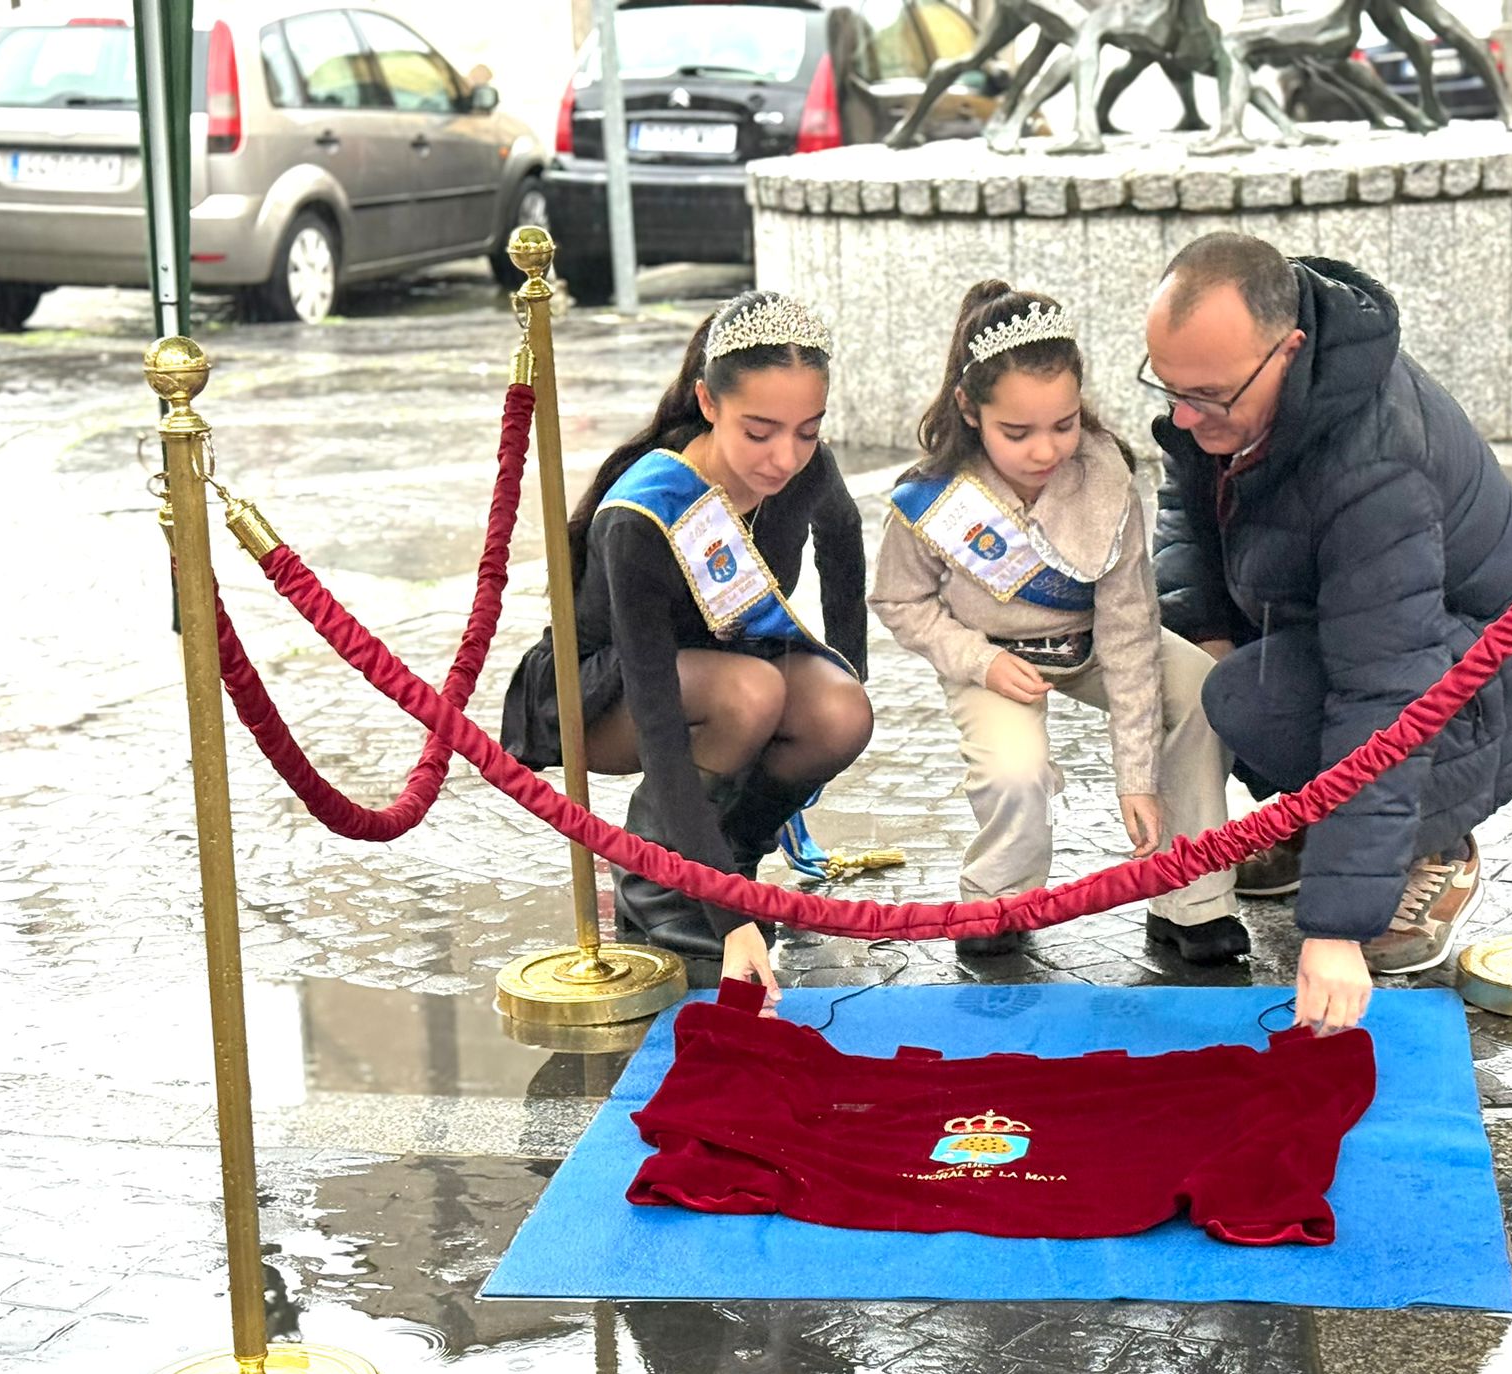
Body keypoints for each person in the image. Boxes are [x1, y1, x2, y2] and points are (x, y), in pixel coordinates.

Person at [1143, 233, 1512, 1032]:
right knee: (1230, 684)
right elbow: (1187, 515)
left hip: (1478, 688)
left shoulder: (1377, 465)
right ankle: (1322, 825)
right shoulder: (1222, 392)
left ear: (1289, 351)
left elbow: (1390, 690)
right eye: (1169, 390)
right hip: (1352, 639)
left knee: (1252, 699)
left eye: (1210, 397)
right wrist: (1214, 632)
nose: (1185, 417)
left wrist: (1337, 928)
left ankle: (1434, 846)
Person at [500, 292, 872, 1002]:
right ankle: (653, 885)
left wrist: (847, 664)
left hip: (724, 673)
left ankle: (728, 858)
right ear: (707, 401)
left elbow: (844, 545)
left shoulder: (805, 468)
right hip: (602, 695)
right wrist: (728, 921)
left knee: (842, 710)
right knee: (750, 692)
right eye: (759, 431)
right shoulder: (643, 513)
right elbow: (660, 716)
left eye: (806, 431)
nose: (785, 458)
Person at [870, 279, 1248, 966]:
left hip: (1098, 643)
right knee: (1015, 769)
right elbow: (899, 601)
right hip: (992, 657)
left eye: (1064, 424)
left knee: (1201, 690)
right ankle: (1002, 897)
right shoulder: (935, 496)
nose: (1046, 450)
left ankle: (1191, 896)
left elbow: (1131, 632)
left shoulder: (1106, 479)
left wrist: (1135, 777)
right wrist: (976, 660)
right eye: (1018, 432)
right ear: (969, 409)